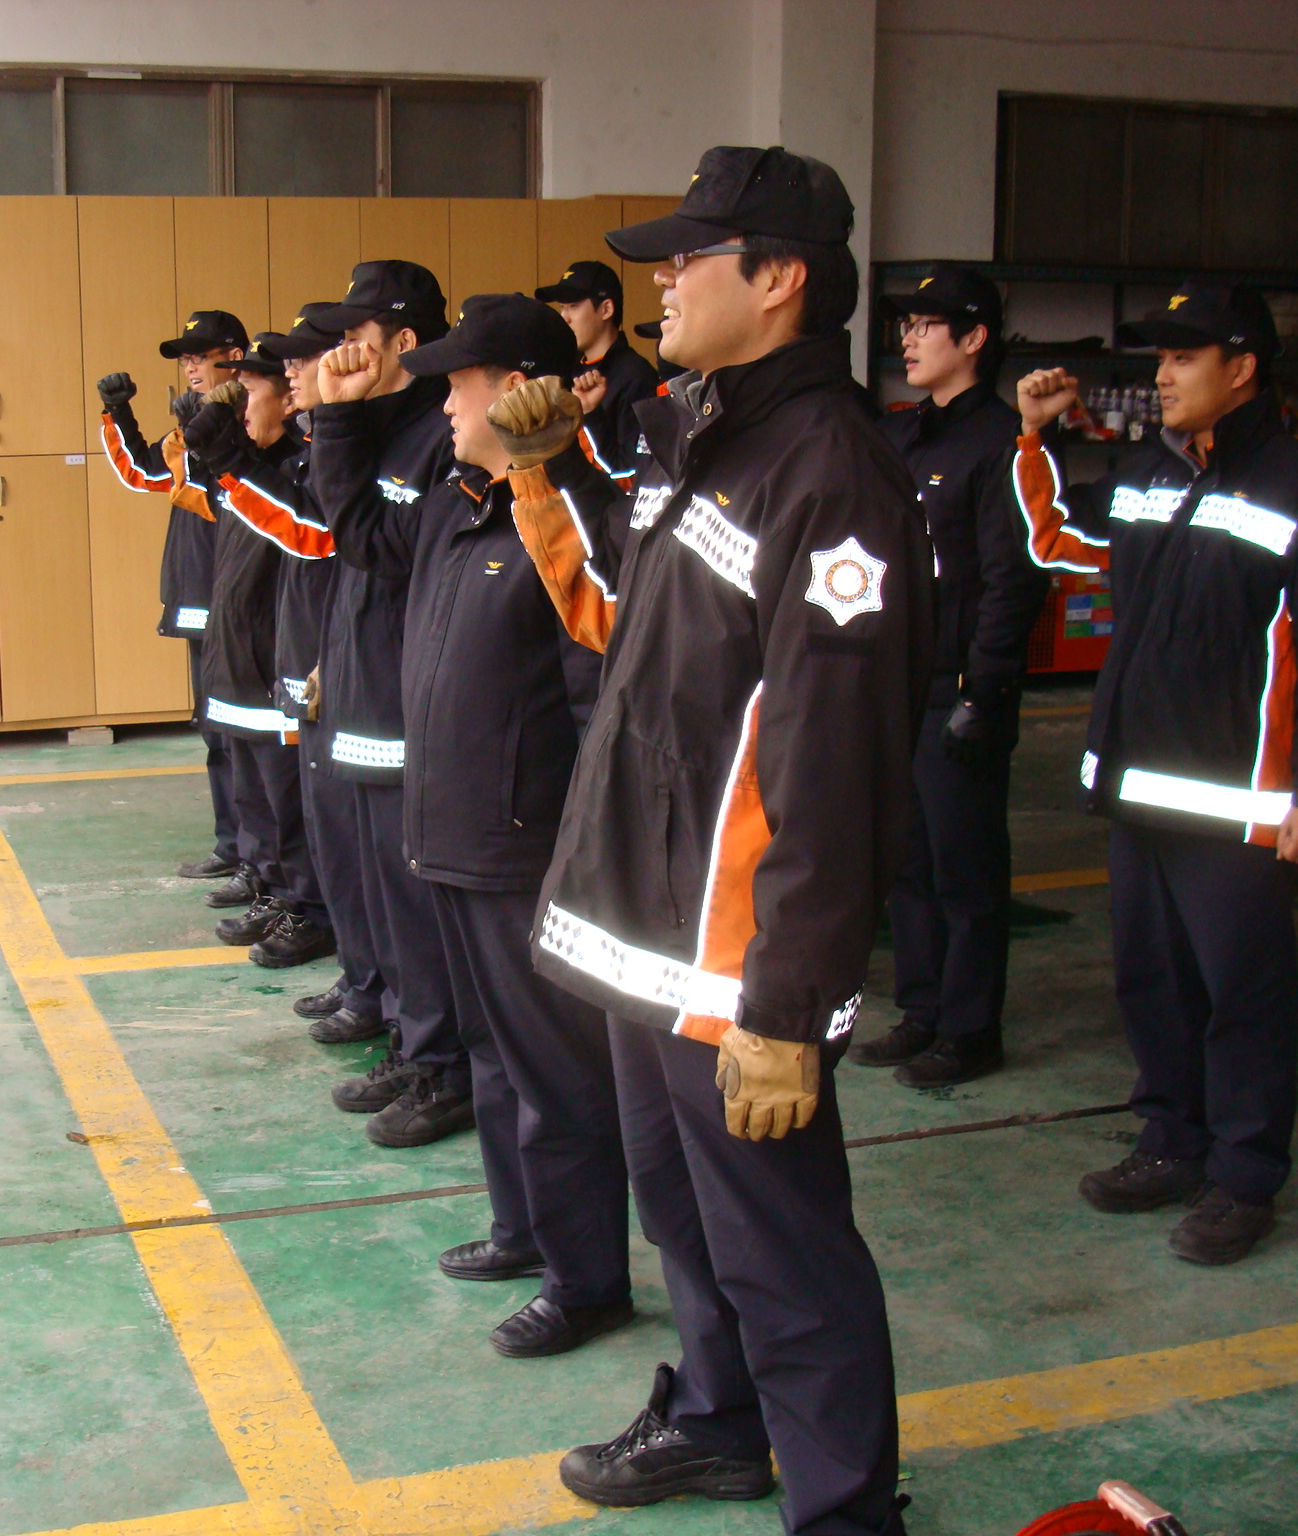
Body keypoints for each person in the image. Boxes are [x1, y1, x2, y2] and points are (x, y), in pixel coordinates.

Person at [506, 147, 930, 1534]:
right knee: (683, 1217)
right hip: (646, 926)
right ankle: (717, 1421)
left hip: (733, 965)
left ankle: (846, 1510)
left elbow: (838, 766)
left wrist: (786, 1009)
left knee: (783, 1253)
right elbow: (635, 644)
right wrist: (543, 473)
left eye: (690, 259)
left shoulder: (833, 476)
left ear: (780, 279)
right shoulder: (704, 436)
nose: (663, 284)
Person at [232, 294, 633, 1357]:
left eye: (460, 383)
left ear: (518, 392)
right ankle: (522, 1229)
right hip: (448, 832)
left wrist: (584, 848)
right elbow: (360, 535)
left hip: (521, 844)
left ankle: (587, 1278)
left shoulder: (574, 514)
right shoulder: (461, 506)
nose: (445, 403)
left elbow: (601, 684)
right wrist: (337, 418)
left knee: (556, 1073)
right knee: (493, 1052)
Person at [1013, 281, 1298, 1266]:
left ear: (1241, 368)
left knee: (1240, 994)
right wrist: (1034, 441)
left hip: (1236, 799)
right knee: (1151, 979)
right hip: (1142, 786)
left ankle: (1244, 1176)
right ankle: (1172, 1138)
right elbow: (1060, 542)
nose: (1162, 377)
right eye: (1159, 358)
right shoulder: (1150, 473)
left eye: (1182, 358)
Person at [851, 265, 1048, 1088]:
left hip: (957, 689)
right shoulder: (904, 437)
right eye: (906, 324)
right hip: (898, 686)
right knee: (908, 863)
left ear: (973, 339)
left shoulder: (1003, 444)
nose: (908, 338)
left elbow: (1013, 580)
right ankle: (923, 1010)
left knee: (966, 870)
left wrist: (984, 692)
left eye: (927, 325)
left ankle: (971, 1030)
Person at [299, 261, 474, 1147]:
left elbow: (378, 545)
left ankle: (445, 1067)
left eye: (357, 336)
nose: (342, 353)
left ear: (405, 341)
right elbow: (342, 544)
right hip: (363, 692)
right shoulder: (380, 426)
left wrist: (336, 421)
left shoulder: (440, 437)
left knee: (417, 908)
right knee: (380, 898)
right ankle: (412, 1042)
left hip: (408, 708)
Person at [216, 306, 390, 1041]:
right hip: (312, 659)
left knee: (358, 851)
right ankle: (361, 978)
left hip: (349, 673)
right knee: (331, 839)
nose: (289, 375)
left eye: (298, 361)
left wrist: (233, 462)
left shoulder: (356, 449)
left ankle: (382, 997)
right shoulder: (315, 451)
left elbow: (321, 536)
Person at [180, 342, 337, 969]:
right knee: (252, 791)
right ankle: (272, 888)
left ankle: (306, 906)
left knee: (284, 796)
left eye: (250, 393)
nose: (242, 407)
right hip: (235, 654)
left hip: (273, 658)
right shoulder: (245, 473)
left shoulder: (294, 471)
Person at [95, 310, 248, 891]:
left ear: (234, 358)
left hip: (239, 605)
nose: (190, 368)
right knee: (215, 732)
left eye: (200, 356)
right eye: (185, 360)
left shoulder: (252, 425)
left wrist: (207, 443)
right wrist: (119, 414)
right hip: (198, 601)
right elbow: (144, 473)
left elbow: (230, 502)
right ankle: (232, 846)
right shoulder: (191, 427)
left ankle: (260, 858)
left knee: (246, 737)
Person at [535, 260, 659, 486]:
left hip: (607, 504)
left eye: (573, 306)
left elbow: (630, 474)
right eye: (562, 307)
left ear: (606, 309)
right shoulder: (561, 370)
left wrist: (592, 415)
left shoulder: (636, 376)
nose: (565, 317)